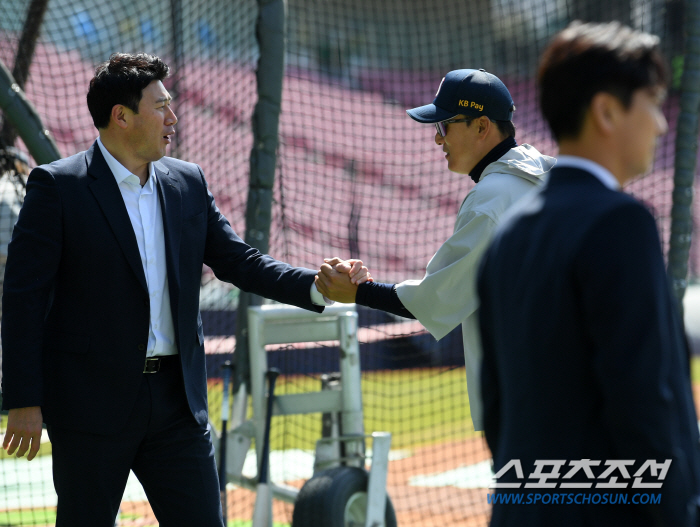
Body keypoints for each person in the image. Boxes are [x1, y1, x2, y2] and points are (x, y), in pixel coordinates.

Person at [0, 53, 367, 527]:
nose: (173, 117)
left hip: (178, 406)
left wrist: (316, 285)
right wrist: (25, 399)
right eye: (161, 106)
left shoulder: (187, 182)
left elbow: (240, 262)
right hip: (90, 408)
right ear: (122, 116)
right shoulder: (58, 187)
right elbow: (23, 298)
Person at [477, 21, 700, 526]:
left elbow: (496, 406)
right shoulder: (621, 222)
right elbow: (644, 399)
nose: (663, 124)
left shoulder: (509, 234)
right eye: (651, 100)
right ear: (606, 110)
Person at [315, 68, 555, 431]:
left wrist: (358, 291)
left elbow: (435, 299)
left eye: (444, 126)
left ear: (481, 127)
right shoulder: (548, 178)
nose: (437, 139)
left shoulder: (491, 199)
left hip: (531, 407)